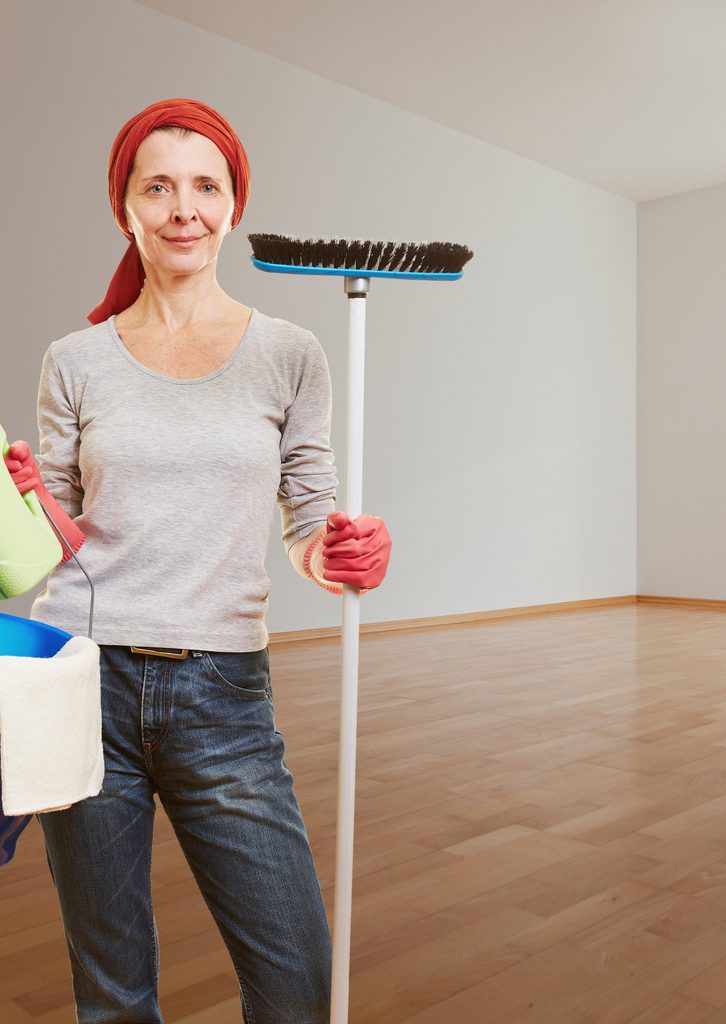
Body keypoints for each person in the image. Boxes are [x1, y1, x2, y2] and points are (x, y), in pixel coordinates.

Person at [2, 97, 391, 1023]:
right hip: (86, 679)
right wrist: (19, 500)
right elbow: (52, 538)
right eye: (159, 186)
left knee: (296, 986)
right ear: (125, 209)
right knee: (112, 993)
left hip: (225, 693)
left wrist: (339, 553)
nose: (185, 207)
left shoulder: (291, 355)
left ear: (233, 203)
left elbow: (307, 520)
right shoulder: (76, 359)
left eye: (206, 185)